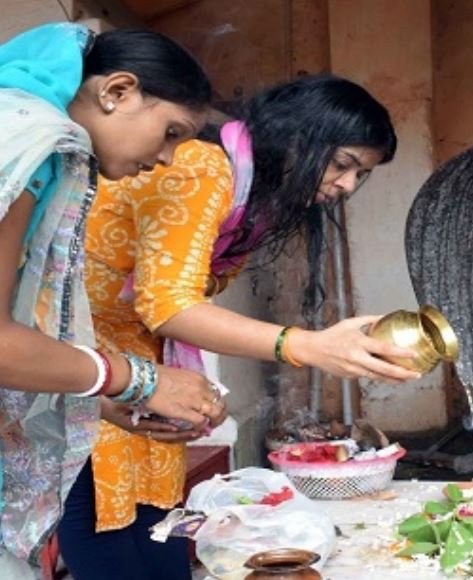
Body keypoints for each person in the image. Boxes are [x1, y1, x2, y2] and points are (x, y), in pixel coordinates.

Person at [57, 75, 421, 580]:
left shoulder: (255, 196)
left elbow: (180, 299)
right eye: (342, 165)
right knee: (101, 508)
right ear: (298, 136)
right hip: (75, 348)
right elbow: (169, 304)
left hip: (141, 355)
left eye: (360, 175)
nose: (346, 187)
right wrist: (308, 347)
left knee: (157, 514)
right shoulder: (203, 165)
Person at [0, 23, 227, 576]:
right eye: (171, 131)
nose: (169, 159)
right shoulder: (30, 146)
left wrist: (102, 406)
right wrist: (142, 379)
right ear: (117, 92)